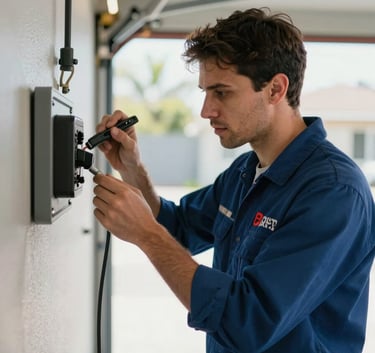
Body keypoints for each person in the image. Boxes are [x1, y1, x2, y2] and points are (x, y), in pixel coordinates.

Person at [92, 7, 375, 353]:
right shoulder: (245, 172)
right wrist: (132, 169)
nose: (206, 110)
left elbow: (249, 322)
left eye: (222, 93)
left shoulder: (333, 192)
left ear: (275, 89)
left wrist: (147, 236)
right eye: (205, 92)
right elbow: (178, 228)